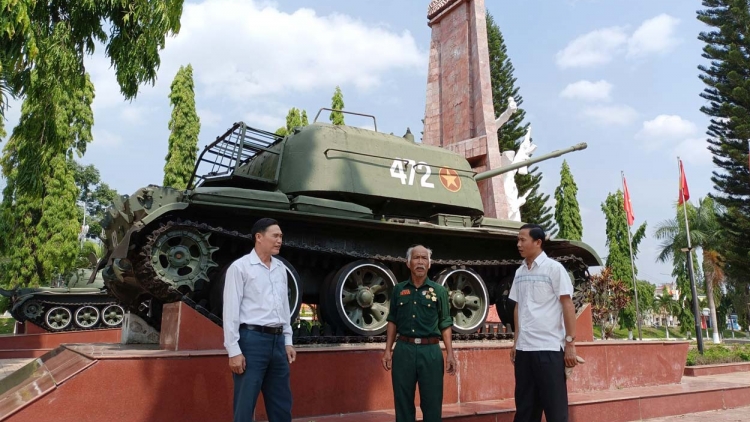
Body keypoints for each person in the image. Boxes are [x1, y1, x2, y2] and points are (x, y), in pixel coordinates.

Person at [223, 218, 296, 422]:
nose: (280, 240)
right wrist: (234, 351)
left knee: (282, 404)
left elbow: (284, 307)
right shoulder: (240, 268)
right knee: (245, 405)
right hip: (251, 341)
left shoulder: (281, 268)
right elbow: (230, 311)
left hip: (278, 343)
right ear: (259, 237)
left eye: (281, 236)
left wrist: (288, 341)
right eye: (275, 235)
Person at [509, 224, 577, 422]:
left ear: (538, 242)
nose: (519, 244)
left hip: (548, 349)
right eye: (518, 240)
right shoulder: (520, 272)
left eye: (523, 240)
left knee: (555, 411)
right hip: (524, 351)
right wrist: (516, 342)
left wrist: (570, 343)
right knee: (525, 410)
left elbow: (567, 305)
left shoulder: (554, 269)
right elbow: (518, 307)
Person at [381, 245, 456, 422]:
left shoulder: (439, 291)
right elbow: (392, 321)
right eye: (416, 258)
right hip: (403, 350)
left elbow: (445, 323)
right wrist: (387, 350)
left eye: (424, 258)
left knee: (432, 403)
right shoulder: (399, 290)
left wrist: (450, 353)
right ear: (408, 263)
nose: (420, 262)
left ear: (429, 264)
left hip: (430, 352)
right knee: (403, 402)